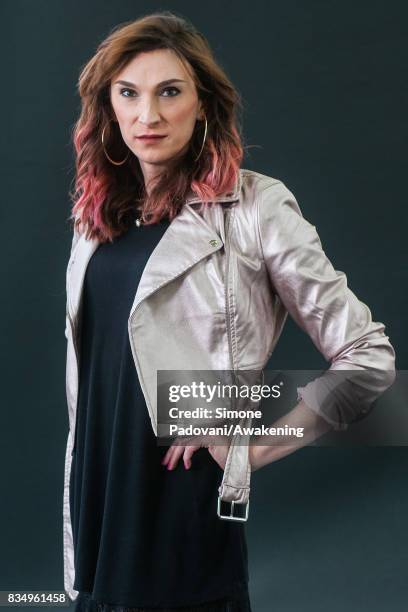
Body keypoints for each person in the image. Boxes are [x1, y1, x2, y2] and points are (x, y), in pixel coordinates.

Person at [63, 10, 396, 612]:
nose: (149, 116)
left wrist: (247, 447)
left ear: (203, 103)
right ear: (108, 109)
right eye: (129, 94)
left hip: (180, 513)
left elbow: (368, 362)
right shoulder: (96, 219)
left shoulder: (254, 207)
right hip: (96, 506)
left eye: (170, 92)